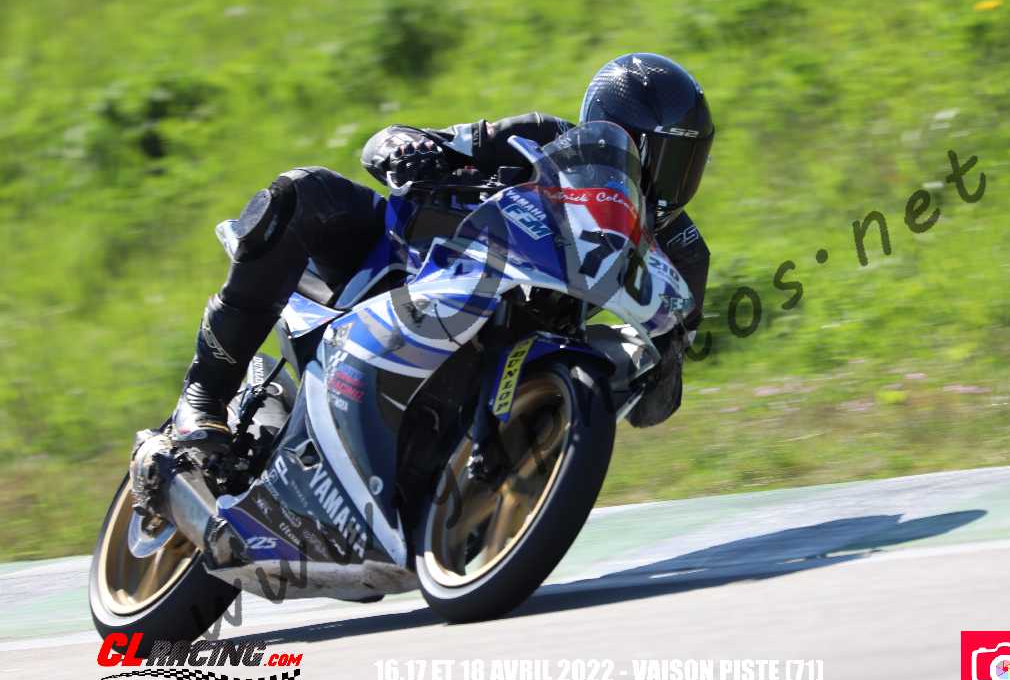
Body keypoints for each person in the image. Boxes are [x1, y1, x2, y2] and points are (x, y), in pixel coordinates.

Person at [171, 52, 714, 452]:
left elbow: (654, 409)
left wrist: (662, 365)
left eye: (686, 162)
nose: (667, 179)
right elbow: (395, 138)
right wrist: (408, 151)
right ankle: (204, 395)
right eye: (661, 156)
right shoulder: (545, 138)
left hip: (526, 343)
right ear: (609, 133)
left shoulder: (683, 256)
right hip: (413, 262)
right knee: (304, 191)